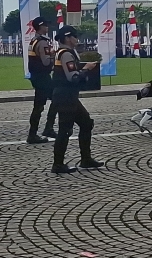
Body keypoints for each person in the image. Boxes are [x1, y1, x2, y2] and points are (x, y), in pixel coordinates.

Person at [51, 25, 104, 174]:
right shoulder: (66, 54)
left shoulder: (65, 52)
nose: (76, 39)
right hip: (65, 96)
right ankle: (58, 164)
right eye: (74, 36)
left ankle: (86, 158)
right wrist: (86, 68)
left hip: (68, 96)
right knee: (65, 130)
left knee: (86, 123)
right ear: (68, 38)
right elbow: (72, 78)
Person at [26, 16, 57, 144]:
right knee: (55, 99)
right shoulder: (43, 42)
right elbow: (45, 61)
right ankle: (46, 129)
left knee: (39, 105)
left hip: (37, 76)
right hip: (42, 77)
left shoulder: (33, 40)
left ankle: (36, 132)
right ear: (40, 27)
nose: (47, 27)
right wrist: (54, 56)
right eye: (45, 25)